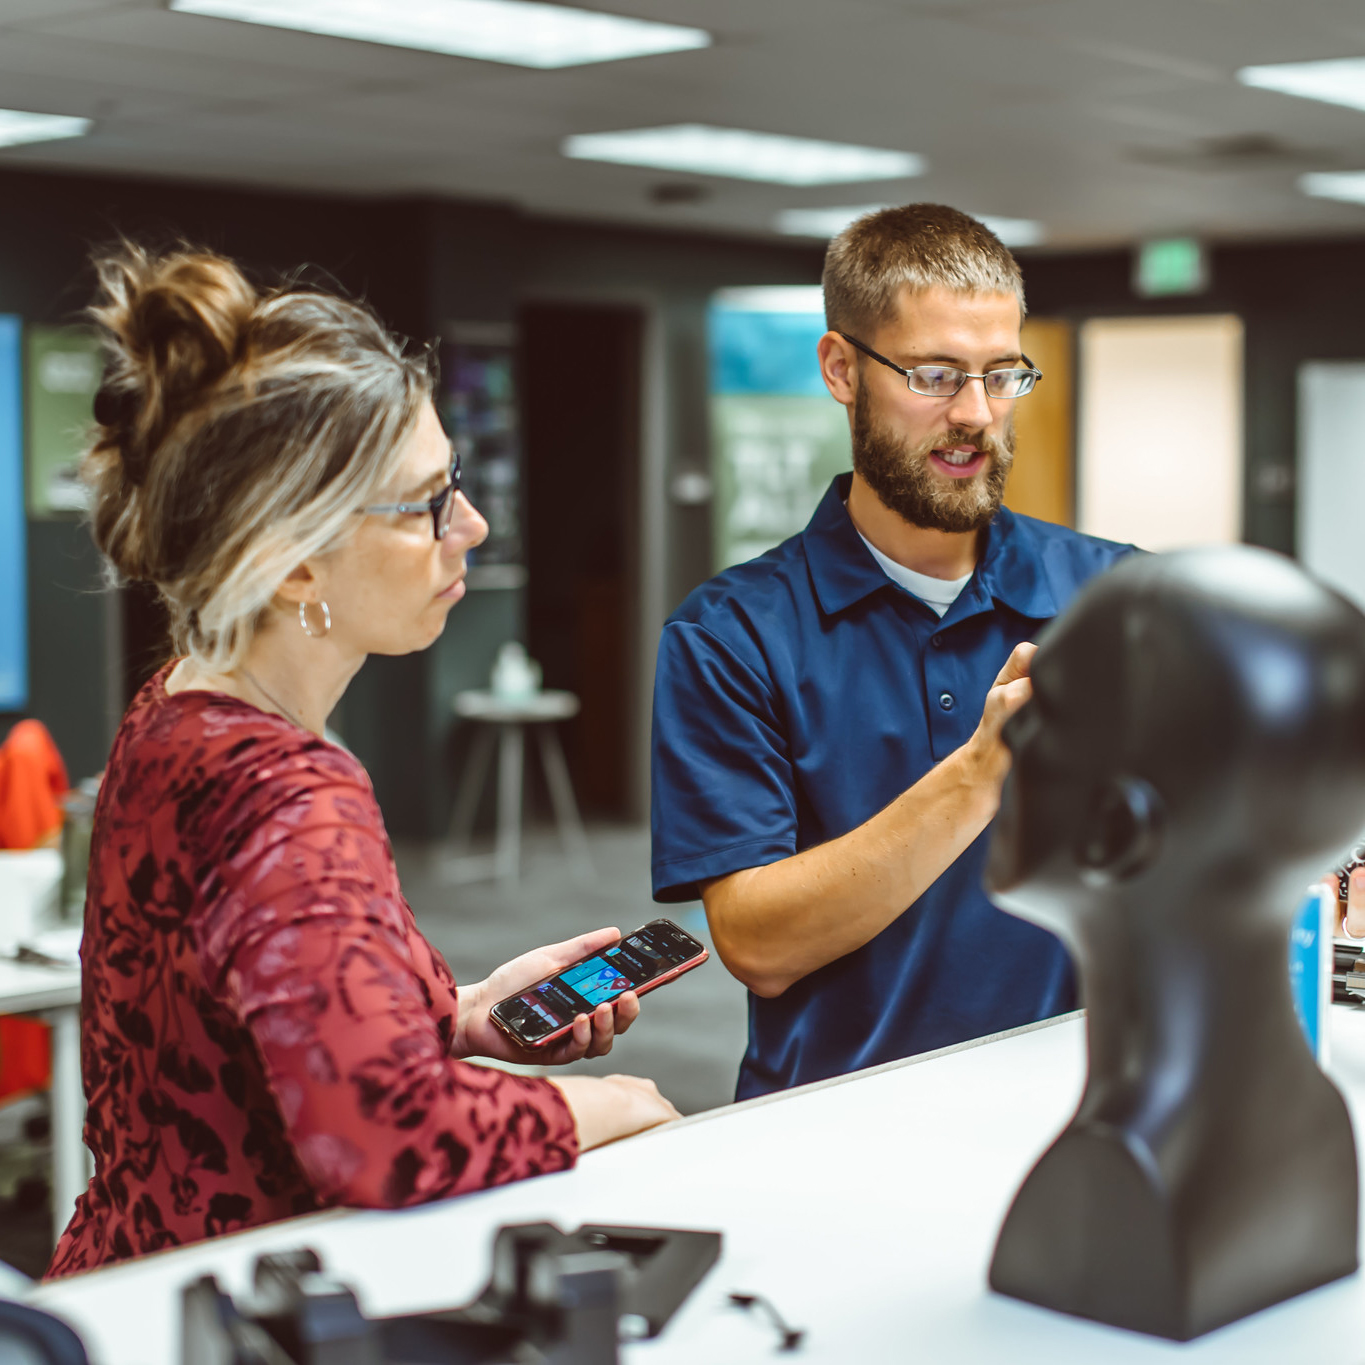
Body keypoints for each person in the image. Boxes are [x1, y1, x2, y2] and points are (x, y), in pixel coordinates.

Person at [47, 244, 677, 1277]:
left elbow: (248, 1024)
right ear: (294, 559)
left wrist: (458, 1017)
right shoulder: (292, 792)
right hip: (256, 1302)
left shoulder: (176, 713)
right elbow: (381, 1138)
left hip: (136, 1283)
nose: (469, 525)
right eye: (428, 503)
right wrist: (603, 1103)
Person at [651, 204, 1134, 1100]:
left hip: (1073, 1113)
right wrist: (981, 770)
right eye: (934, 375)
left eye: (1001, 375)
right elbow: (759, 945)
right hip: (834, 1131)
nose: (976, 415)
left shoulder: (1114, 595)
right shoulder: (730, 635)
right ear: (841, 368)